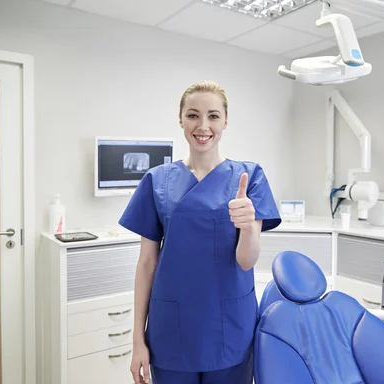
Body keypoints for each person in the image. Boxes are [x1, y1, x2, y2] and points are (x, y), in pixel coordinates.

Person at [118, 80, 282, 384]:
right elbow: (146, 264)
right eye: (193, 115)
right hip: (172, 329)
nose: (203, 125)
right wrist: (137, 340)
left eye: (213, 116)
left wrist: (247, 226)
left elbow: (247, 260)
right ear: (180, 119)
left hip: (231, 327)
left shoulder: (250, 177)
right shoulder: (157, 181)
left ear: (225, 122)